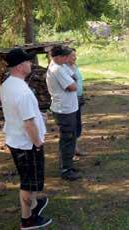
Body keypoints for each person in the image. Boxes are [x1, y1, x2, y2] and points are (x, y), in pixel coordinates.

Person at [0, 48, 52, 229]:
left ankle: (35, 206)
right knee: (29, 184)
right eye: (29, 62)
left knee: (27, 179)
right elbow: (28, 124)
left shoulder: (7, 84)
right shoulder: (22, 91)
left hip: (15, 139)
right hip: (27, 144)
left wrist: (39, 117)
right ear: (21, 66)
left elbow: (22, 113)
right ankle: (27, 219)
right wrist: (38, 143)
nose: (31, 64)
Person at [46, 46, 81, 181]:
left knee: (70, 138)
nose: (67, 59)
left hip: (69, 108)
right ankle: (66, 170)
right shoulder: (57, 69)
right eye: (65, 56)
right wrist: (74, 82)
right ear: (57, 57)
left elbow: (75, 76)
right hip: (64, 109)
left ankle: (68, 165)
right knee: (67, 138)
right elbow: (72, 86)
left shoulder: (62, 66)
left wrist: (74, 81)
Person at [66, 48, 87, 160]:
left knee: (78, 124)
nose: (75, 57)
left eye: (75, 55)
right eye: (72, 56)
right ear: (66, 57)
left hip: (78, 98)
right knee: (72, 125)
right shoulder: (65, 69)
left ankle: (76, 148)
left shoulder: (75, 66)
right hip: (71, 100)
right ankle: (71, 152)